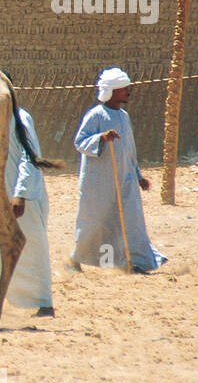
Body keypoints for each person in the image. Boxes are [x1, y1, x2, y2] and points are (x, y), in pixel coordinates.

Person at [68, 67, 166, 273]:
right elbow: (80, 141)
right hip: (99, 181)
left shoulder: (123, 116)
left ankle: (134, 262)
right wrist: (101, 138)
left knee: (131, 220)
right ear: (111, 91)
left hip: (125, 179)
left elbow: (129, 150)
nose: (128, 92)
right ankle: (75, 258)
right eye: (123, 89)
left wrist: (138, 176)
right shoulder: (96, 114)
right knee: (96, 221)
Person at [0, 100, 54, 316]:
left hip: (24, 197)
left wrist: (21, 194)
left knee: (31, 247)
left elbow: (29, 158)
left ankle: (44, 303)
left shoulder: (20, 118)